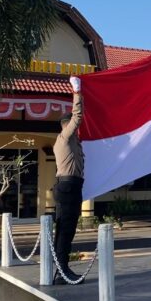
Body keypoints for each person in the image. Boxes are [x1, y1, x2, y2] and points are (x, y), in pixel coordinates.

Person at [53, 76, 84, 284]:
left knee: (66, 229)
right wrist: (77, 92)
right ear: (66, 126)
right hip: (67, 186)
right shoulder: (65, 137)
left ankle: (61, 269)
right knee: (65, 231)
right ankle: (61, 272)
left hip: (70, 186)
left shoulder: (69, 143)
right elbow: (78, 116)